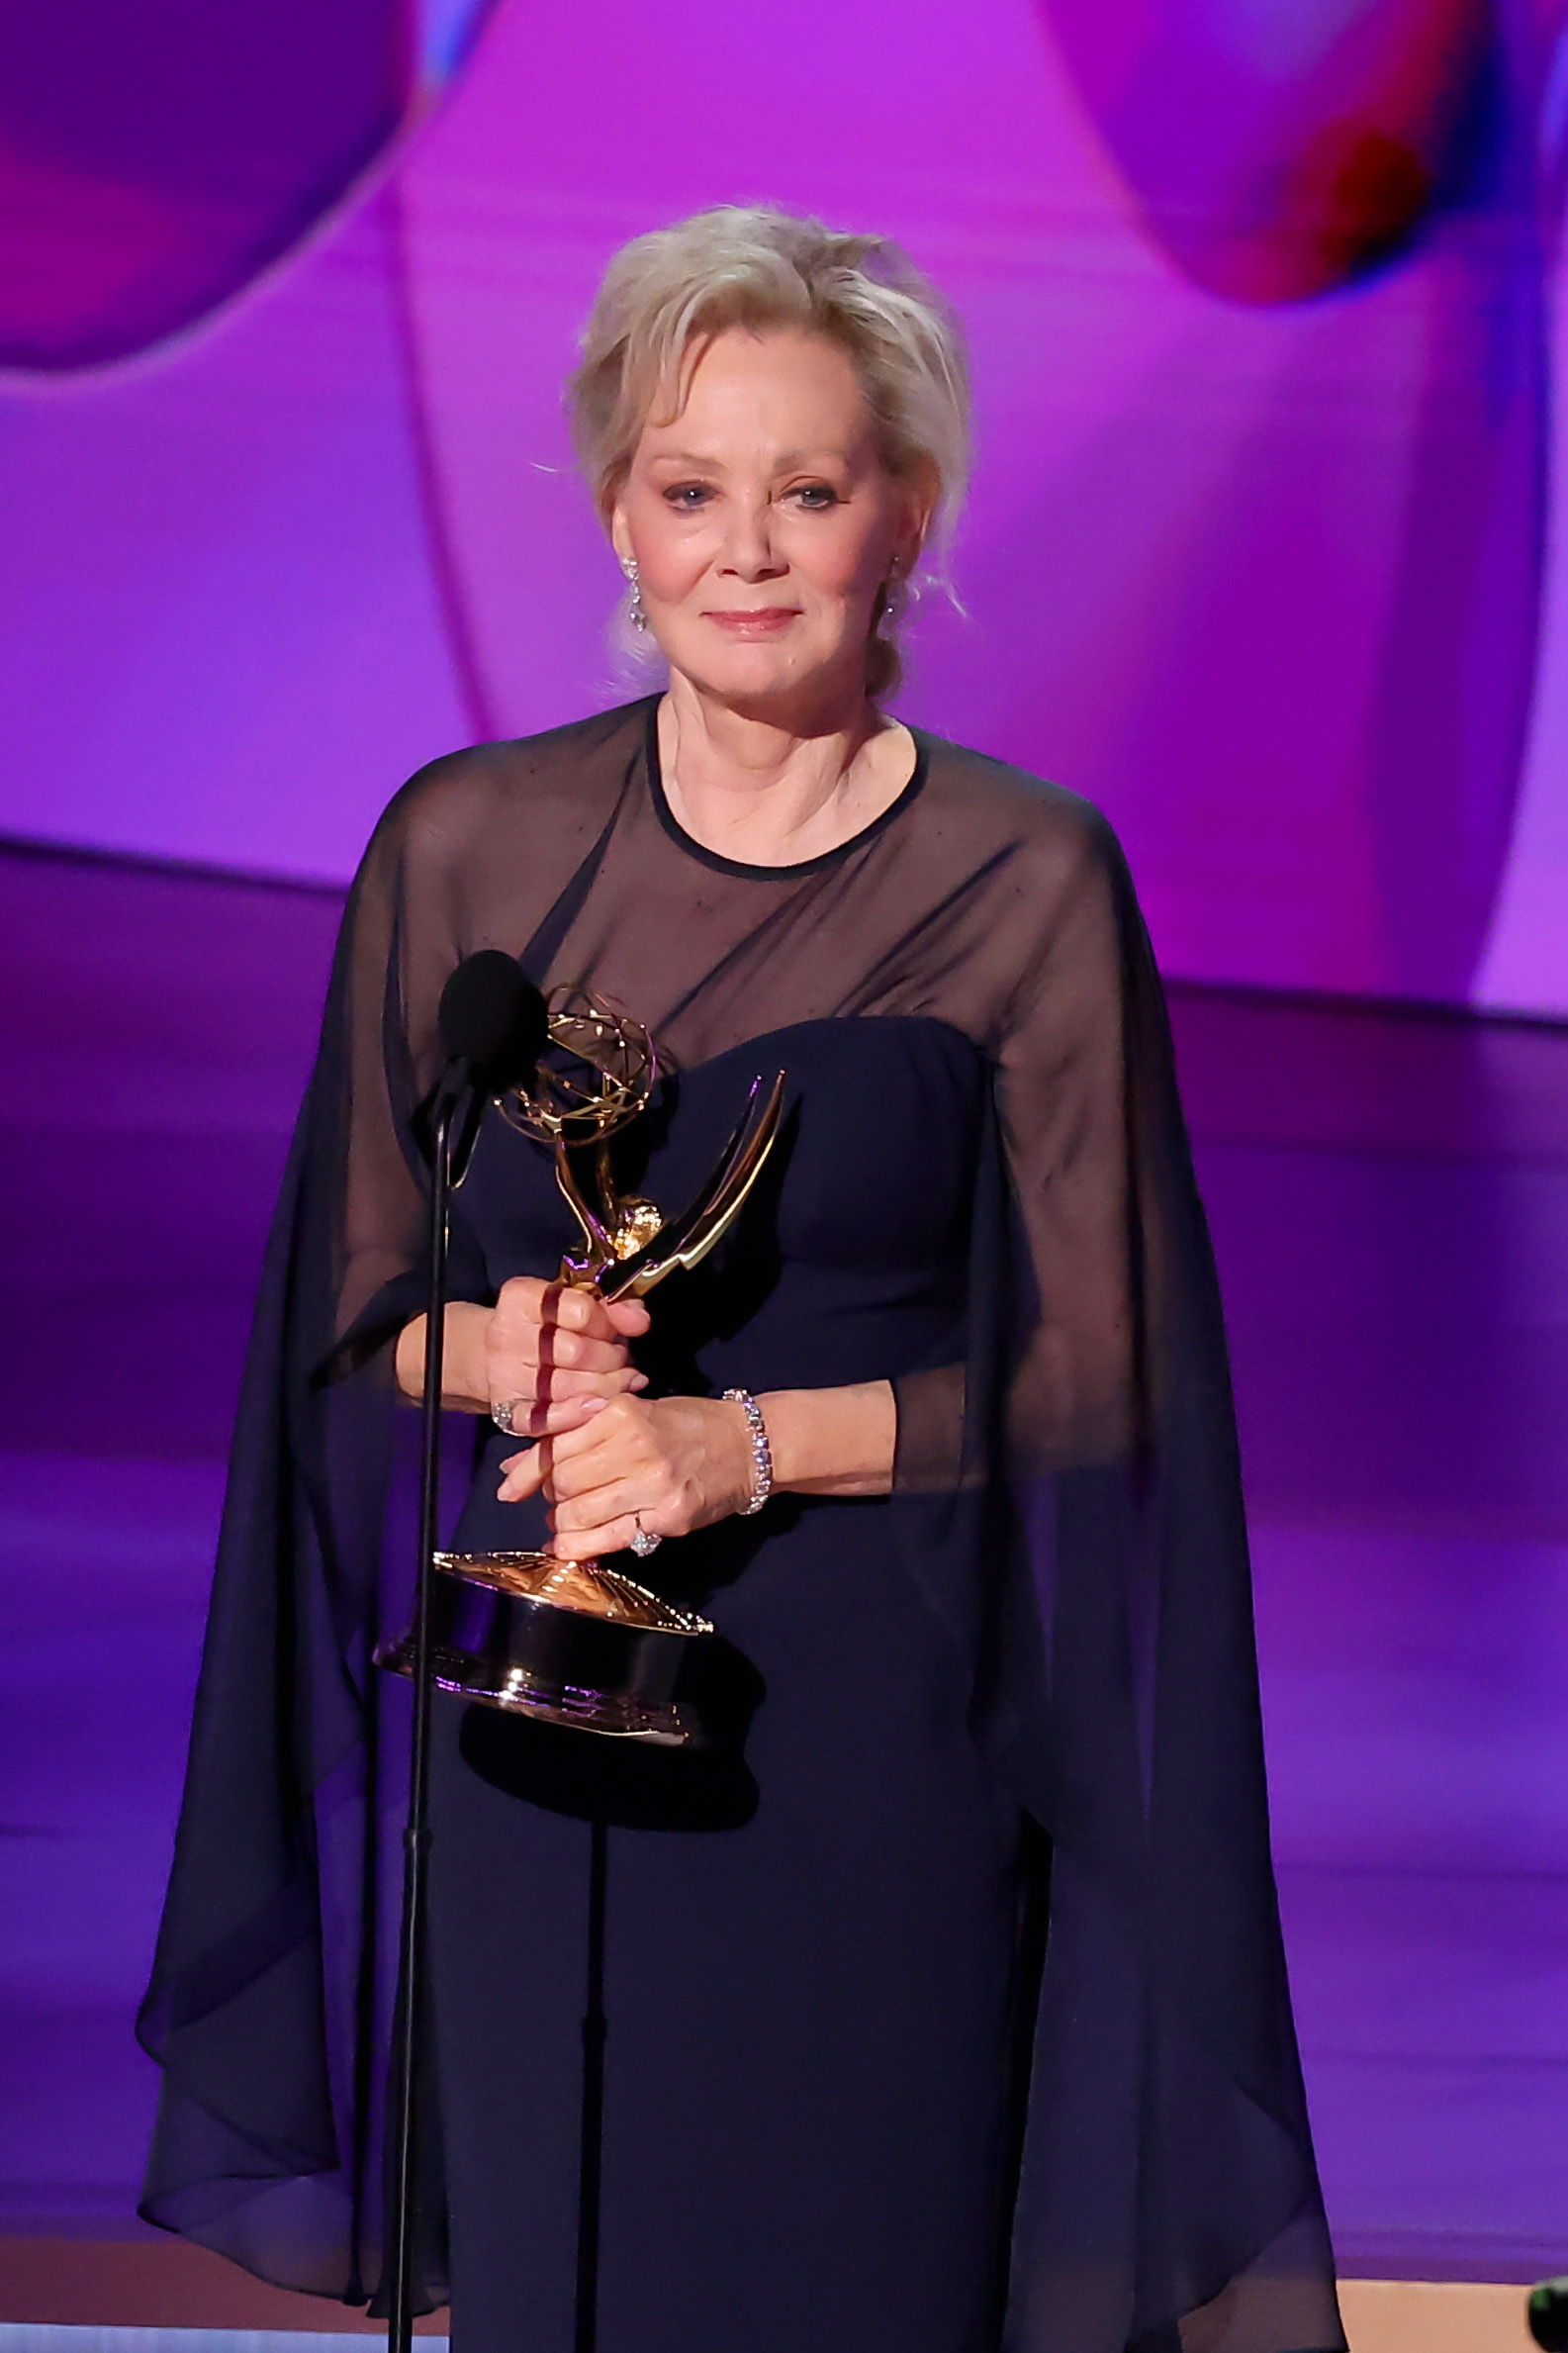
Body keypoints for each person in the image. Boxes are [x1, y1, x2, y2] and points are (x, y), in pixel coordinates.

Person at [138, 207, 1345, 2353]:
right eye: (692, 490)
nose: (747, 548)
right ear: (619, 510)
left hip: (875, 1732)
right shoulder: (466, 849)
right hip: (548, 1734)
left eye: (808, 488)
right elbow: (355, 1305)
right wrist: (496, 1346)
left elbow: (1102, 1380)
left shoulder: (1021, 876)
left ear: (909, 513)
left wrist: (744, 1440)